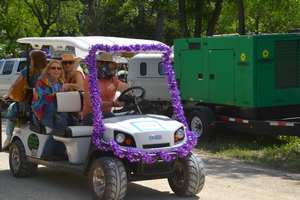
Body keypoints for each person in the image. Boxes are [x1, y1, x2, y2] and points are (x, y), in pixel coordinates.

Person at [2, 50, 47, 149]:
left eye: (31, 59)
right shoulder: (49, 71)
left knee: (11, 108)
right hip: (45, 104)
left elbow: (14, 86)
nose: (30, 61)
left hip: (29, 106)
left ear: (34, 60)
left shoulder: (28, 71)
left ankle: (8, 138)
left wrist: (7, 95)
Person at [82, 52, 128, 125]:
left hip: (107, 115)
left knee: (129, 117)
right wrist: (113, 104)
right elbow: (92, 103)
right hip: (90, 116)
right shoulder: (90, 79)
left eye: (113, 65)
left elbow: (125, 88)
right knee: (112, 119)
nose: (112, 68)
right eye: (111, 65)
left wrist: (132, 94)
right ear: (99, 64)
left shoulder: (113, 79)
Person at [31, 60, 70, 129]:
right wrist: (59, 94)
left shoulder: (61, 83)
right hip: (42, 113)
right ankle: (52, 131)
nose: (56, 70)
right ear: (48, 70)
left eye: (59, 68)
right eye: (53, 68)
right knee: (51, 106)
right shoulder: (41, 82)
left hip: (57, 113)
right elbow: (44, 99)